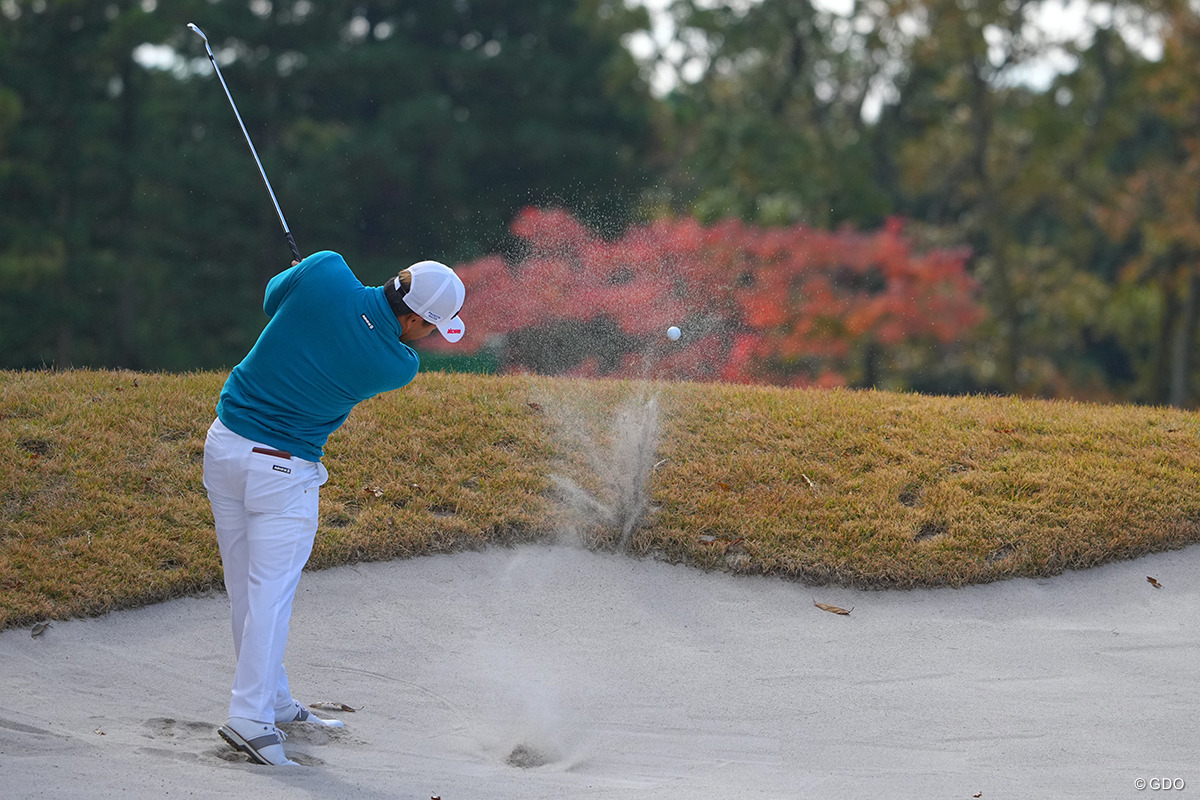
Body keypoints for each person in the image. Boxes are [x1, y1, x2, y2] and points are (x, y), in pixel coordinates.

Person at [201, 250, 465, 766]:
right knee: (270, 597)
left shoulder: (324, 268)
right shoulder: (396, 364)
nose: (428, 339)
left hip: (224, 445)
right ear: (412, 319)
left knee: (246, 592)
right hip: (282, 474)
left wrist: (312, 285)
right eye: (431, 329)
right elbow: (358, 334)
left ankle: (271, 703)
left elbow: (273, 299)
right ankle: (250, 719)